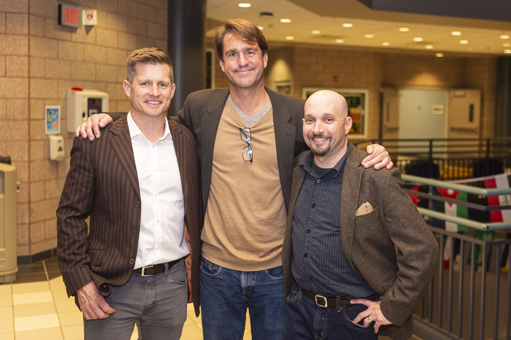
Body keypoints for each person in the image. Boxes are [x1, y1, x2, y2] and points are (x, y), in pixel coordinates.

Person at [75, 19, 393, 340]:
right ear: (222, 65)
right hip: (216, 273)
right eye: (232, 54)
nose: (242, 61)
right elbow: (157, 120)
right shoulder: (201, 107)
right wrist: (110, 119)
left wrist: (371, 151)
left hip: (276, 273)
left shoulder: (295, 114)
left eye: (250, 52)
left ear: (264, 58)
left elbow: (328, 138)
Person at [57, 47, 201, 340]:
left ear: (172, 90)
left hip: (171, 286)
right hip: (111, 287)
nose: (154, 92)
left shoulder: (186, 140)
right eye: (144, 83)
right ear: (127, 87)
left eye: (162, 84)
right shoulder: (96, 141)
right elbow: (69, 215)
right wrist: (80, 280)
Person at [282, 90, 439, 340]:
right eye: (310, 120)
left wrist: (392, 307)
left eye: (328, 119)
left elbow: (423, 249)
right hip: (298, 312)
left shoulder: (375, 175)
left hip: (351, 319)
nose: (317, 129)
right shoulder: (298, 168)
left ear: (347, 125)